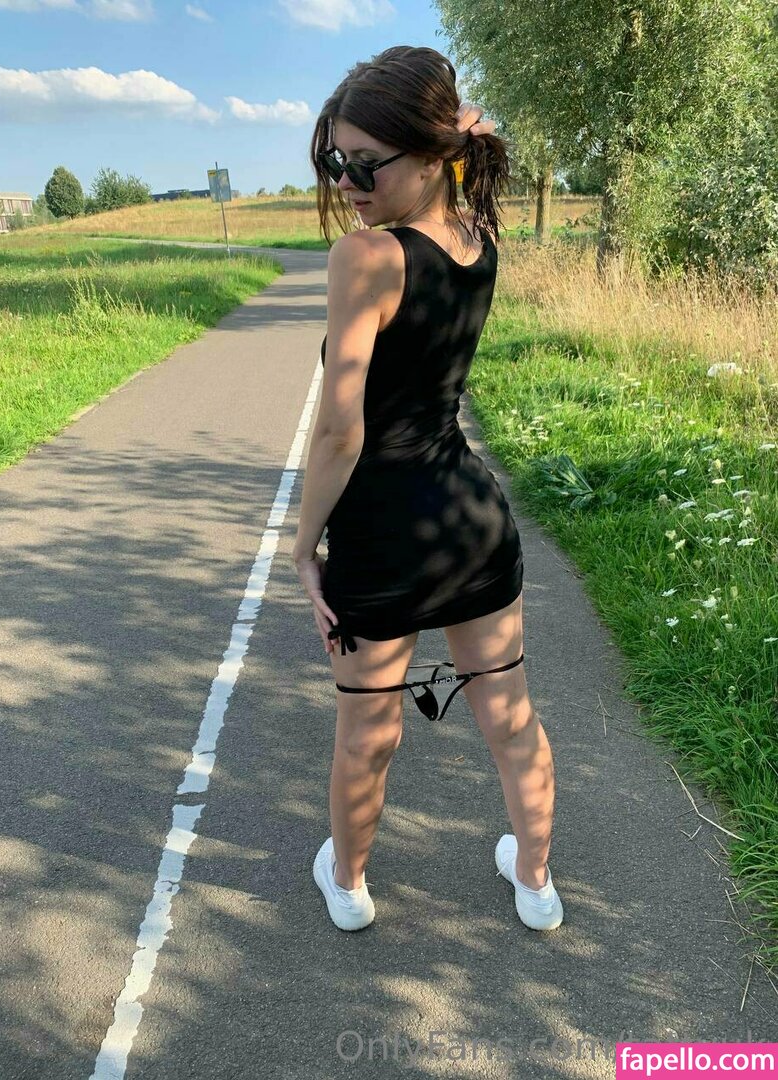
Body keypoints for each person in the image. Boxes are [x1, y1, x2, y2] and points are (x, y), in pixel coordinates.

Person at [292, 45, 563, 933]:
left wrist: (302, 546)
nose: (347, 182)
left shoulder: (365, 258)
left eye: (365, 164)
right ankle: (536, 882)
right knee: (510, 718)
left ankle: (349, 885)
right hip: (471, 523)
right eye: (335, 161)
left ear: (430, 153)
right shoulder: (479, 238)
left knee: (368, 731)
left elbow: (340, 430)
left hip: (382, 537)